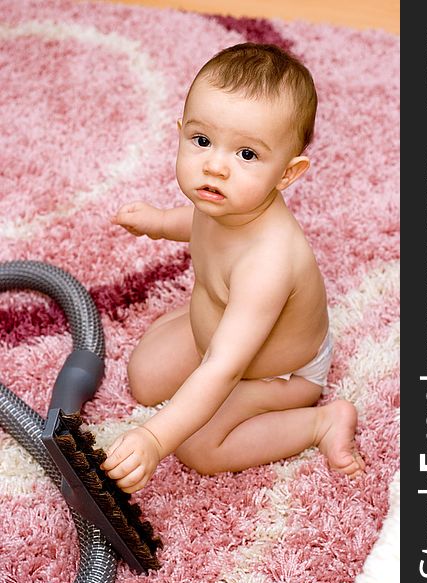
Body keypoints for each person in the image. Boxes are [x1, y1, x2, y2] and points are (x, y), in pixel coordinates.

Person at [101, 43, 365, 493]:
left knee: (198, 444)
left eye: (247, 154)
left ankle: (321, 422)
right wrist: (160, 223)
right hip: (223, 326)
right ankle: (198, 325)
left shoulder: (269, 261)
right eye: (201, 141)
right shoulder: (226, 200)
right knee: (144, 378)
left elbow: (223, 366)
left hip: (278, 373)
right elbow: (202, 225)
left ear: (287, 173)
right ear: (181, 132)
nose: (216, 166)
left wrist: (152, 437)